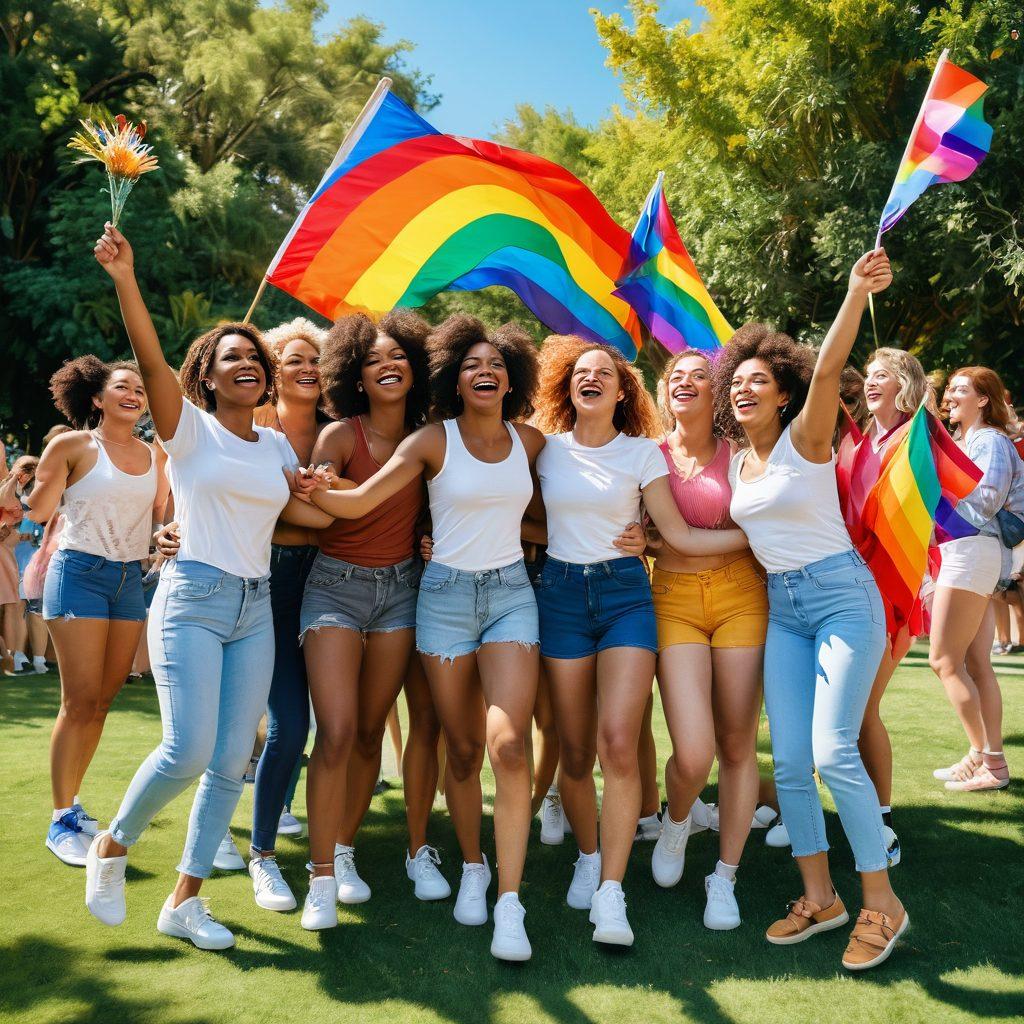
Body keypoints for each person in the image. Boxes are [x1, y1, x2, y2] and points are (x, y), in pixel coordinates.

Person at [84, 223, 331, 950]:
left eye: (255, 358)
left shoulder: (278, 443)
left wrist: (344, 494)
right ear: (209, 375)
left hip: (256, 607)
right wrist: (126, 277)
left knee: (230, 762)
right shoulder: (185, 427)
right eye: (233, 359)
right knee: (187, 750)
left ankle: (185, 901)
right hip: (192, 597)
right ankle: (113, 843)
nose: (248, 365)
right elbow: (151, 358)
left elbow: (306, 510)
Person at [298, 314, 543, 962]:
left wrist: (639, 536)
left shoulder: (529, 442)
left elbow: (565, 507)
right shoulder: (418, 439)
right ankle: (430, 866)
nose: (485, 372)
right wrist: (307, 484)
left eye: (495, 364)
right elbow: (355, 503)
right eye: (471, 364)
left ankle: (494, 893)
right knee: (403, 739)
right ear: (453, 377)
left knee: (491, 741)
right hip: (409, 595)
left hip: (478, 591)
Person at [720, 248, 909, 972]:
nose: (743, 390)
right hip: (784, 609)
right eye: (735, 382)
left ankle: (881, 903)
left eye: (758, 381)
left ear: (783, 392)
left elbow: (829, 368)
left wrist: (856, 293)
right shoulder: (739, 464)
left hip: (840, 597)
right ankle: (820, 898)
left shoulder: (808, 437)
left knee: (834, 751)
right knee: (792, 762)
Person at [530, 335, 748, 947]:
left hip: (626, 597)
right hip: (562, 599)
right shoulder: (544, 451)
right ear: (566, 388)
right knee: (574, 752)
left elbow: (676, 533)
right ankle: (587, 855)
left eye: (604, 372)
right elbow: (510, 508)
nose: (590, 378)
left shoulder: (642, 457)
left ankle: (611, 892)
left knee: (618, 743)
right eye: (580, 373)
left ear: (623, 390)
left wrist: (754, 539)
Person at [298, 310, 447, 930]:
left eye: (398, 357)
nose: (388, 366)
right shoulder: (338, 437)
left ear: (415, 368)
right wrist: (309, 486)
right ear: (356, 375)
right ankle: (321, 878)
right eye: (373, 360)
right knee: (335, 732)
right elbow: (316, 509)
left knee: (366, 735)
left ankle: (345, 848)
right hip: (336, 587)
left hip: (402, 594)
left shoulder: (436, 435)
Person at [23, 360, 165, 867]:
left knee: (104, 700)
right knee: (79, 700)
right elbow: (38, 511)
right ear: (97, 398)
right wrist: (36, 483)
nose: (134, 394)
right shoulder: (73, 446)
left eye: (141, 389)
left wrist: (163, 536)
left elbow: (159, 518)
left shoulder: (155, 455)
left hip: (129, 580)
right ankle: (60, 819)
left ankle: (74, 805)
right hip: (78, 572)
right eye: (122, 387)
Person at [646, 347, 769, 930]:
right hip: (671, 600)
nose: (687, 383)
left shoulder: (741, 456)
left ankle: (725, 876)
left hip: (742, 599)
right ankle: (677, 819)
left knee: (739, 744)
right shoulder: (647, 457)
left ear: (713, 393)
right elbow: (658, 534)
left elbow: (768, 520)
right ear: (664, 389)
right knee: (694, 752)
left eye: (700, 377)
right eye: (678, 376)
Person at [835, 347, 931, 862]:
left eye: (883, 377)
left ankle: (882, 820)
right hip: (842, 586)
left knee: (864, 708)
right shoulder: (856, 440)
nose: (872, 384)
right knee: (837, 711)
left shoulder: (918, 439)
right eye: (868, 377)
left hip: (892, 591)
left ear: (904, 384)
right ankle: (800, 808)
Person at [929, 366, 1024, 791]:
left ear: (983, 400)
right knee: (975, 663)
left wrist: (931, 511)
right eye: (949, 388)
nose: (949, 394)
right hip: (971, 553)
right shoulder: (968, 442)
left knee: (944, 660)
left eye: (960, 389)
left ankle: (992, 764)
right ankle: (983, 756)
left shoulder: (990, 441)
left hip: (972, 553)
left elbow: (985, 503)